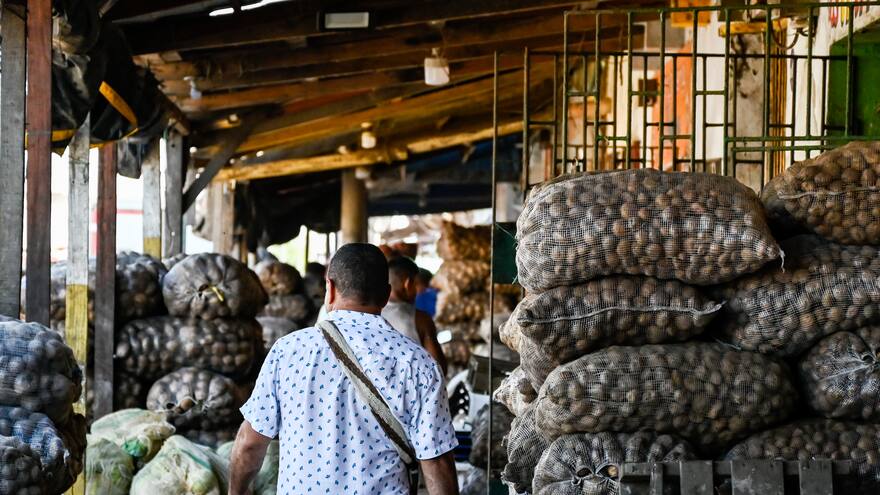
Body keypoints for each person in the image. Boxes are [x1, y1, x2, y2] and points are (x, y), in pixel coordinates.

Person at [229, 243, 459, 495]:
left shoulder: (287, 351)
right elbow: (437, 461)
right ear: (386, 295)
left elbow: (249, 444)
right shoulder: (418, 363)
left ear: (329, 288)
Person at [383, 257, 447, 375]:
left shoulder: (372, 313)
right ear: (408, 284)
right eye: (416, 284)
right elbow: (439, 369)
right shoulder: (421, 319)